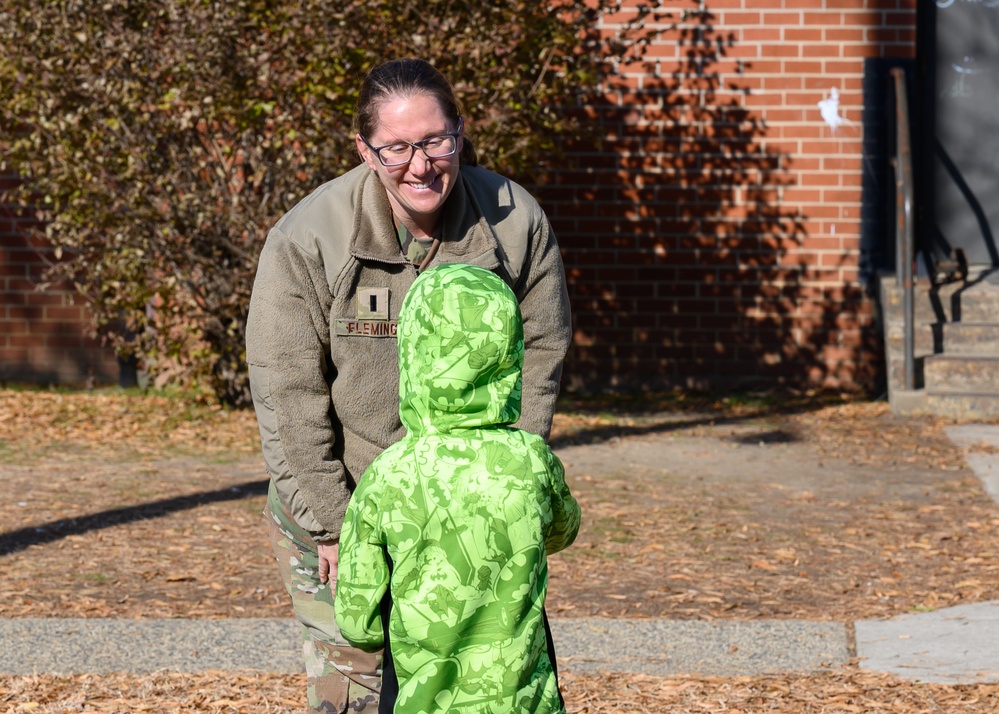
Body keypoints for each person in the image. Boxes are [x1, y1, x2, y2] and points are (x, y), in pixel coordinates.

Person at [245, 57, 572, 713]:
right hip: (343, 493)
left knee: (493, 685)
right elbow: (287, 394)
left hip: (467, 511)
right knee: (357, 696)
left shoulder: (512, 221)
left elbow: (543, 347)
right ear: (365, 149)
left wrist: (501, 476)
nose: (419, 165)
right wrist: (333, 528)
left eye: (433, 141)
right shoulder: (308, 239)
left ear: (458, 132)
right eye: (396, 148)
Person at [334, 263, 580, 714]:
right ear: (510, 354)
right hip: (522, 698)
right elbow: (563, 530)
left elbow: (358, 619)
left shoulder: (390, 474)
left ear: (413, 354)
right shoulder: (530, 459)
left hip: (423, 697)